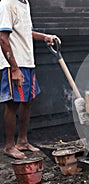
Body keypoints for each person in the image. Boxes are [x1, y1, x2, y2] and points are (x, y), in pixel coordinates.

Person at [0, 0, 60, 159]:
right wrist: (14, 68)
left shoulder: (25, 4)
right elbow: (3, 38)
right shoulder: (8, 3)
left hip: (28, 62)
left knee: (28, 101)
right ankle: (9, 146)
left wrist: (44, 37)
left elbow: (25, 33)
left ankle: (22, 141)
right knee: (13, 103)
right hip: (14, 63)